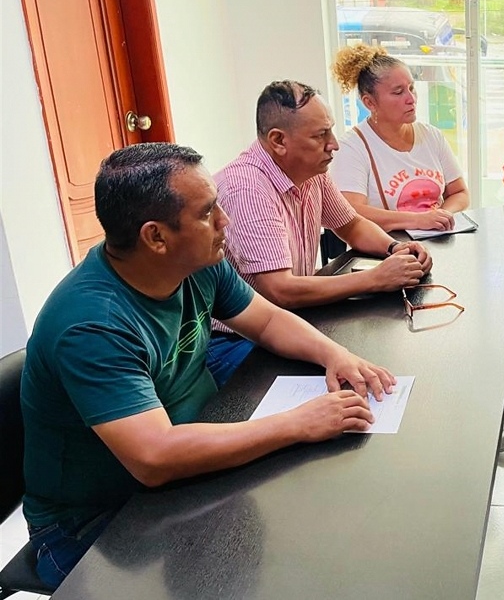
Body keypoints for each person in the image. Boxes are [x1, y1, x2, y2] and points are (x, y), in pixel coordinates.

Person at [21, 143, 396, 589]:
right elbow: (154, 458)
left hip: (184, 467)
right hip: (96, 522)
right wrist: (297, 423)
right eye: (207, 213)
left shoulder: (195, 263)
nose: (225, 221)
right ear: (156, 237)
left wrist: (336, 354)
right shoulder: (92, 326)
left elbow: (268, 320)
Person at [210, 80, 432, 385]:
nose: (334, 144)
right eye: (320, 135)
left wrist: (395, 248)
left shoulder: (311, 171)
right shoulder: (247, 189)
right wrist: (375, 278)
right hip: (237, 340)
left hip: (287, 319)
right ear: (278, 140)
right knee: (347, 383)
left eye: (331, 131)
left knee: (374, 362)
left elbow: (352, 226)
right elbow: (279, 290)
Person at [329, 44, 469, 232]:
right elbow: (351, 211)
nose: (411, 99)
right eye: (398, 92)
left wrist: (441, 217)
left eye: (412, 88)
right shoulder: (352, 147)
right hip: (387, 246)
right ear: (369, 102)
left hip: (436, 240)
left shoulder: (432, 135)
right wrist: (418, 221)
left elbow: (460, 192)